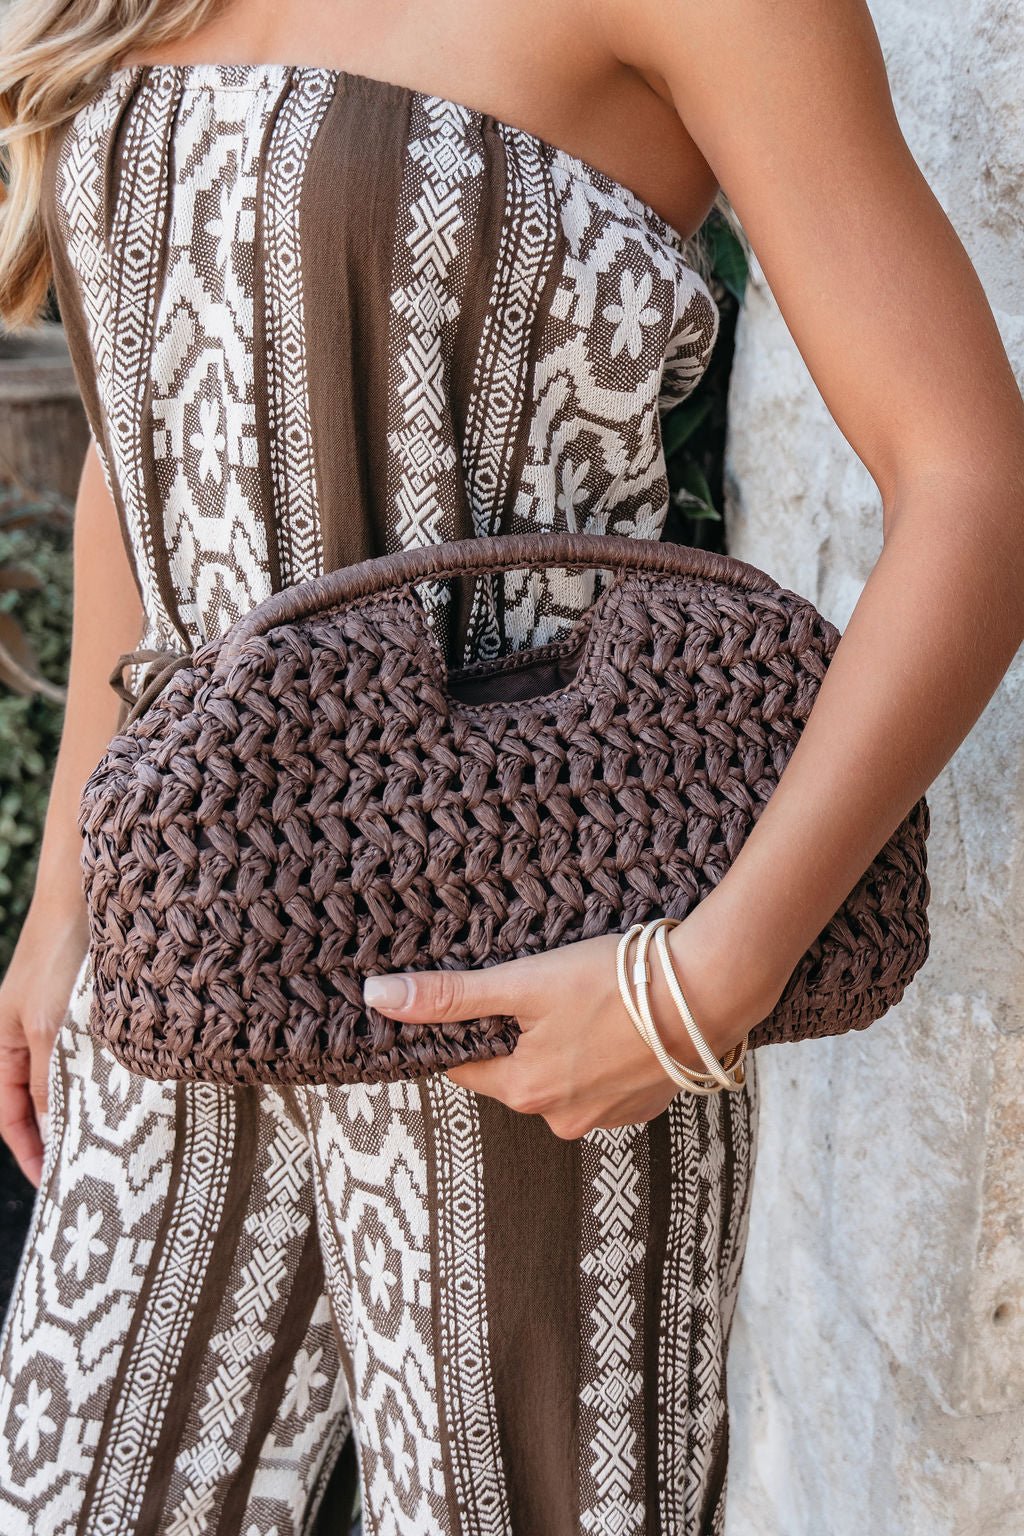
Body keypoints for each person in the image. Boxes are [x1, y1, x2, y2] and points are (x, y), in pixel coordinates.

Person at [0, 1, 1021, 1532]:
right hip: (183, 946)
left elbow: (974, 485)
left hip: (526, 939)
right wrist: (60, 902)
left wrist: (695, 987)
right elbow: (144, 426)